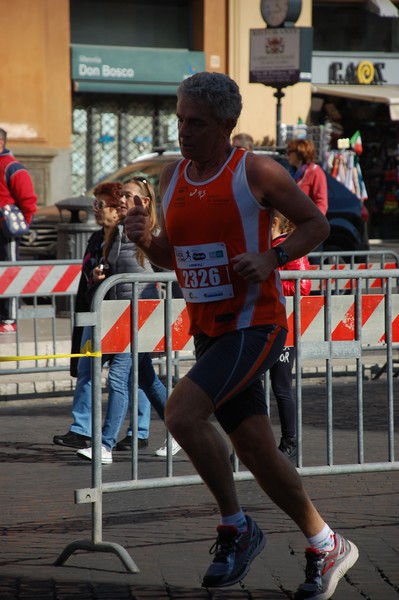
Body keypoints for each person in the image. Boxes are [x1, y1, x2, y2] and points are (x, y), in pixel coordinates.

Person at [124, 71, 358, 598]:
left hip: (257, 325)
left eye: (197, 123)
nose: (184, 131)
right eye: (180, 119)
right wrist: (147, 241)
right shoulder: (173, 176)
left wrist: (271, 256)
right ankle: (326, 543)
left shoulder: (256, 171)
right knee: (255, 448)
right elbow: (177, 262)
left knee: (182, 413)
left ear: (227, 124)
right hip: (209, 330)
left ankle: (236, 526)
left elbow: (316, 225)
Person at [73, 180, 180, 464]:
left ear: (144, 202)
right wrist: (101, 275)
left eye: (129, 196)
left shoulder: (152, 233)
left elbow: (172, 270)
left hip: (142, 317)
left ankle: (105, 445)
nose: (121, 200)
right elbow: (115, 273)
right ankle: (182, 429)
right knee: (146, 379)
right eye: (121, 195)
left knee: (119, 376)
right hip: (117, 318)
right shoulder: (116, 232)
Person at [53, 194, 152, 452]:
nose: (96, 210)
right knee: (88, 367)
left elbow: (151, 273)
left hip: (129, 315)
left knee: (136, 376)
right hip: (100, 310)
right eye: (95, 204)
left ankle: (135, 433)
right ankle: (82, 429)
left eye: (101, 205)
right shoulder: (101, 237)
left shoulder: (137, 235)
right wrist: (98, 278)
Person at [270, 211, 311, 462]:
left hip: (284, 328)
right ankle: (253, 445)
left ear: (273, 222)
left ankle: (290, 441)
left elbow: (302, 285)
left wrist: (268, 278)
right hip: (266, 326)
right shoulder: (269, 246)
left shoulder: (288, 245)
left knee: (281, 385)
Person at [0, 128, 37, 333]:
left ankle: (9, 319)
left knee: (10, 272)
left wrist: (24, 224)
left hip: (6, 231)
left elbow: (28, 200)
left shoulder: (12, 167)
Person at [286, 138, 328, 263]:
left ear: (299, 153)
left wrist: (315, 225)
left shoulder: (315, 172)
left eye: (289, 152)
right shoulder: (294, 173)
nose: (287, 155)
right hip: (294, 229)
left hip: (309, 229)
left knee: (311, 266)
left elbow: (322, 203)